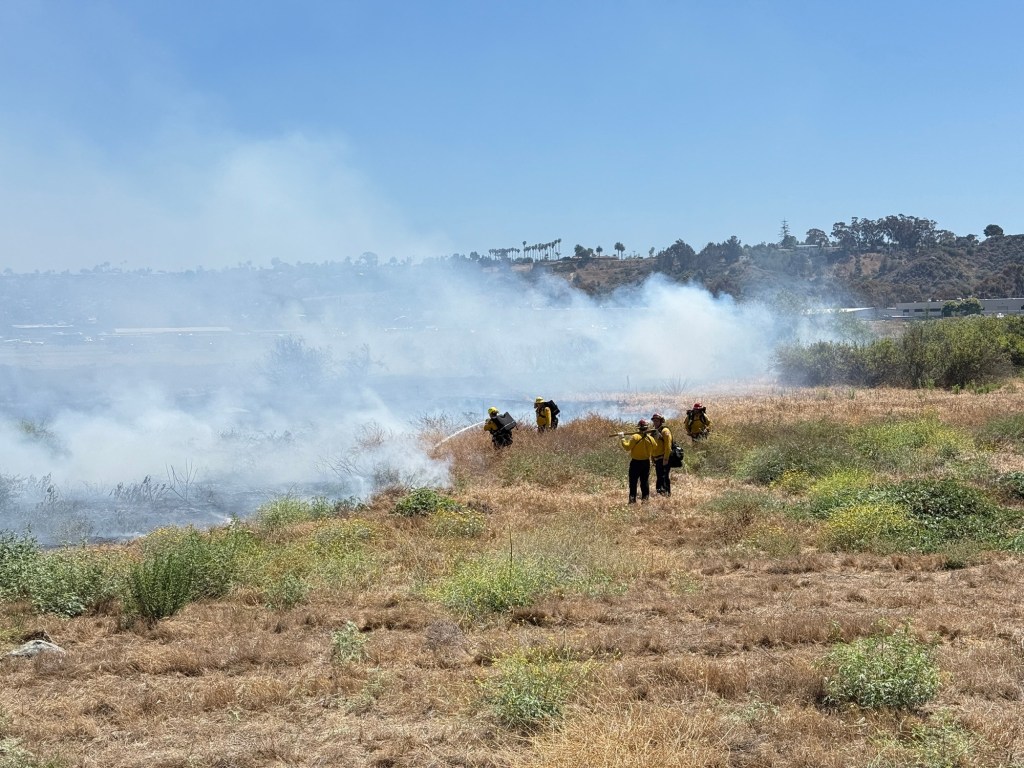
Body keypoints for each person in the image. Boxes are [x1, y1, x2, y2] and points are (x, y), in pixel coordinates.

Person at [618, 419, 658, 503]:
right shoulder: (650, 438)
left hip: (635, 463)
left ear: (639, 428)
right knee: (644, 482)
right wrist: (656, 437)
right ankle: (645, 500)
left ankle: (632, 501)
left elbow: (627, 447)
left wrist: (622, 438)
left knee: (633, 482)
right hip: (646, 463)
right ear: (647, 428)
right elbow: (655, 447)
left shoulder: (635, 437)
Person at [650, 413, 672, 496]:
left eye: (657, 420)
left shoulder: (665, 431)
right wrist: (652, 458)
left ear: (661, 421)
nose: (655, 422)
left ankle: (667, 493)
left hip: (663, 458)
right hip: (656, 458)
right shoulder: (653, 432)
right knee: (659, 476)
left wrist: (666, 459)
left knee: (664, 476)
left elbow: (668, 446)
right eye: (654, 420)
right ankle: (660, 492)